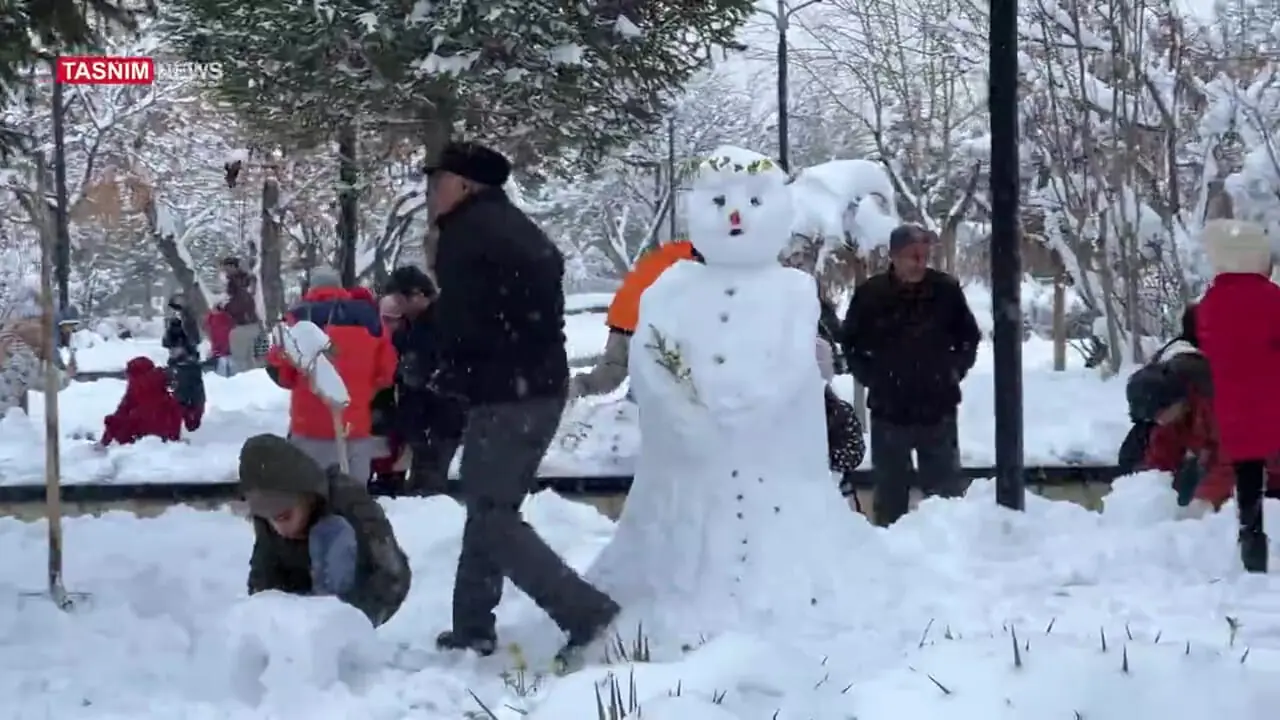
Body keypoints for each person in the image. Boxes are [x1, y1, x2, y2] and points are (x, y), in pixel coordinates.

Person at [424, 141, 619, 662]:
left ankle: (585, 613)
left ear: (466, 185)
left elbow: (463, 323)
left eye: (437, 180)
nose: (431, 191)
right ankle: (471, 625)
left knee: (490, 514)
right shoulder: (514, 227)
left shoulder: (466, 236)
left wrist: (440, 368)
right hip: (536, 386)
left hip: (505, 393)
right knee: (489, 505)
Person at [840, 224, 981, 527]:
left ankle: (950, 555)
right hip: (889, 410)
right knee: (890, 496)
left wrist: (954, 370)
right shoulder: (872, 295)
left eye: (923, 255)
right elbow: (851, 343)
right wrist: (873, 376)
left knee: (944, 497)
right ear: (894, 256)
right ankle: (891, 559)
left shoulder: (945, 290)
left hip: (937, 408)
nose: (919, 262)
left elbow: (969, 336)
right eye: (911, 256)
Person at [239, 432, 411, 627]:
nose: (279, 527)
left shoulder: (348, 502)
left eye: (285, 516)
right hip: (301, 616)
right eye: (271, 518)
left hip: (355, 601)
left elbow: (393, 576)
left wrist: (349, 623)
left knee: (332, 532)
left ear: (306, 497)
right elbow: (262, 583)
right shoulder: (269, 519)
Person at [1195, 218, 1280, 573]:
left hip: (1233, 402)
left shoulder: (1210, 304)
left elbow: (1207, 343)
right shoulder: (1273, 299)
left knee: (1248, 470)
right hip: (1273, 394)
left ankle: (1251, 535)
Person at [266, 267, 398, 483]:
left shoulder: (295, 320)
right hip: (355, 428)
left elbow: (283, 374)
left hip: (309, 428)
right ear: (340, 287)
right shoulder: (371, 319)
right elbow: (386, 374)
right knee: (353, 496)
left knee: (313, 496)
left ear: (311, 288)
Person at [570, 240, 700, 400]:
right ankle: (632, 408)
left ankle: (571, 390)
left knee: (610, 372)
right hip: (642, 321)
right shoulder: (692, 263)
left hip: (621, 317)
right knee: (654, 375)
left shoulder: (666, 252)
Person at [383, 264, 466, 495]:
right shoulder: (412, 323)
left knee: (428, 486)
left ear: (419, 294)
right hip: (420, 419)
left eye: (401, 300)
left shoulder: (445, 321)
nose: (398, 307)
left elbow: (446, 368)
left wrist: (416, 371)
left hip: (440, 418)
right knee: (420, 482)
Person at [0, 291, 74, 417]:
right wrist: (67, 375)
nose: (45, 330)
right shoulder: (24, 357)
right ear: (22, 323)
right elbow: (51, 380)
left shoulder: (17, 348)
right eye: (40, 323)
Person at [369, 295, 410, 494]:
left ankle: (393, 478)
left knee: (395, 443)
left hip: (397, 399)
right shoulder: (375, 337)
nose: (389, 324)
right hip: (382, 399)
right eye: (385, 319)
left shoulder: (406, 338)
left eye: (393, 319)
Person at [97, 356, 185, 447]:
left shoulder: (136, 388)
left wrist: (106, 439)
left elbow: (123, 413)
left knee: (114, 421)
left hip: (141, 441)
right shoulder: (164, 389)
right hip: (166, 441)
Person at [162, 292, 206, 432]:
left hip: (189, 362)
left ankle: (191, 419)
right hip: (180, 364)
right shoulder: (173, 322)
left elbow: (194, 338)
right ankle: (183, 420)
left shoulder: (190, 320)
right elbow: (168, 341)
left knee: (195, 394)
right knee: (181, 394)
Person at [219, 256, 261, 373]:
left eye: (227, 267)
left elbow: (239, 303)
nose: (225, 270)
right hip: (253, 323)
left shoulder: (234, 283)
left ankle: (244, 384)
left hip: (242, 324)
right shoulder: (247, 280)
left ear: (233, 267)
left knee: (240, 359)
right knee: (250, 359)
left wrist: (224, 308)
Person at [205, 307, 234, 377]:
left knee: (224, 360)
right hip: (222, 343)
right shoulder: (213, 317)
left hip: (222, 343)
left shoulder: (215, 317)